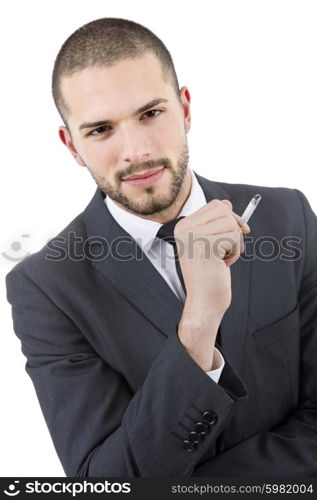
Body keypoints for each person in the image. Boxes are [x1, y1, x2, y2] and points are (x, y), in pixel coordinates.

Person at [5, 17, 317, 477]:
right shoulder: (46, 288)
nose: (136, 151)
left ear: (185, 109)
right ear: (71, 146)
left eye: (151, 114)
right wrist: (198, 325)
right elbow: (105, 483)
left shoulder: (286, 216)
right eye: (101, 130)